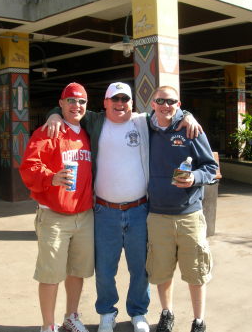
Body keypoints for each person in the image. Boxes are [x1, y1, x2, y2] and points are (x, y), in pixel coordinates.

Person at [44, 82, 203, 332]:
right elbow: (69, 108)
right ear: (105, 103)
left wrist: (189, 115)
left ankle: (138, 313)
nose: (120, 104)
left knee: (140, 267)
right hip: (104, 211)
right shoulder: (94, 122)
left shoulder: (142, 122)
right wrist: (53, 113)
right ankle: (107, 312)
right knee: (105, 268)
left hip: (139, 210)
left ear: (132, 103)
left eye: (124, 100)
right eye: (114, 100)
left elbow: (168, 111)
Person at [19, 83, 94, 332]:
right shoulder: (48, 131)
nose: (77, 106)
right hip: (53, 217)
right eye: (71, 101)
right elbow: (28, 167)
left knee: (77, 272)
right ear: (61, 104)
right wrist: (50, 177)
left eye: (81, 101)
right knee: (50, 275)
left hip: (84, 216)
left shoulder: (86, 134)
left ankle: (71, 317)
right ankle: (48, 325)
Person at [146, 86, 218, 332]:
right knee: (161, 270)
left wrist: (194, 178)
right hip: (157, 214)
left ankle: (199, 321)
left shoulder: (190, 129)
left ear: (179, 103)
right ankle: (167, 313)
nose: (166, 105)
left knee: (196, 271)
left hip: (189, 215)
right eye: (161, 101)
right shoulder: (145, 128)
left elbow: (210, 168)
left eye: (172, 101)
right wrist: (54, 114)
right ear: (152, 103)